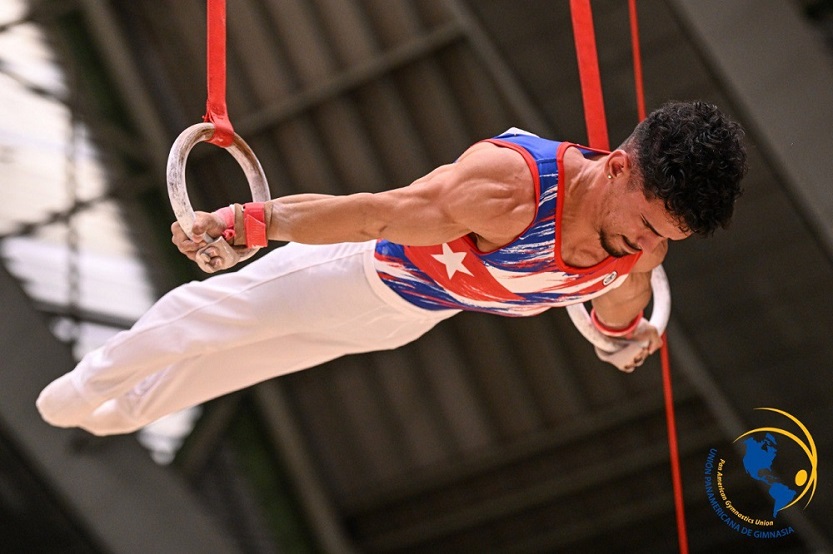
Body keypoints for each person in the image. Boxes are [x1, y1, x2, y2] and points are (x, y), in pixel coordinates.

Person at [36, 100, 747, 436]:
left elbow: (615, 302)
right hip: (354, 273)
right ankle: (77, 388)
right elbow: (374, 212)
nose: (644, 244)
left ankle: (118, 412)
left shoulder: (647, 247)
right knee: (207, 319)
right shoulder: (509, 187)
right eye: (647, 222)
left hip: (402, 320)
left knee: (225, 366)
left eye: (665, 237)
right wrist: (251, 221)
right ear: (616, 167)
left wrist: (622, 338)